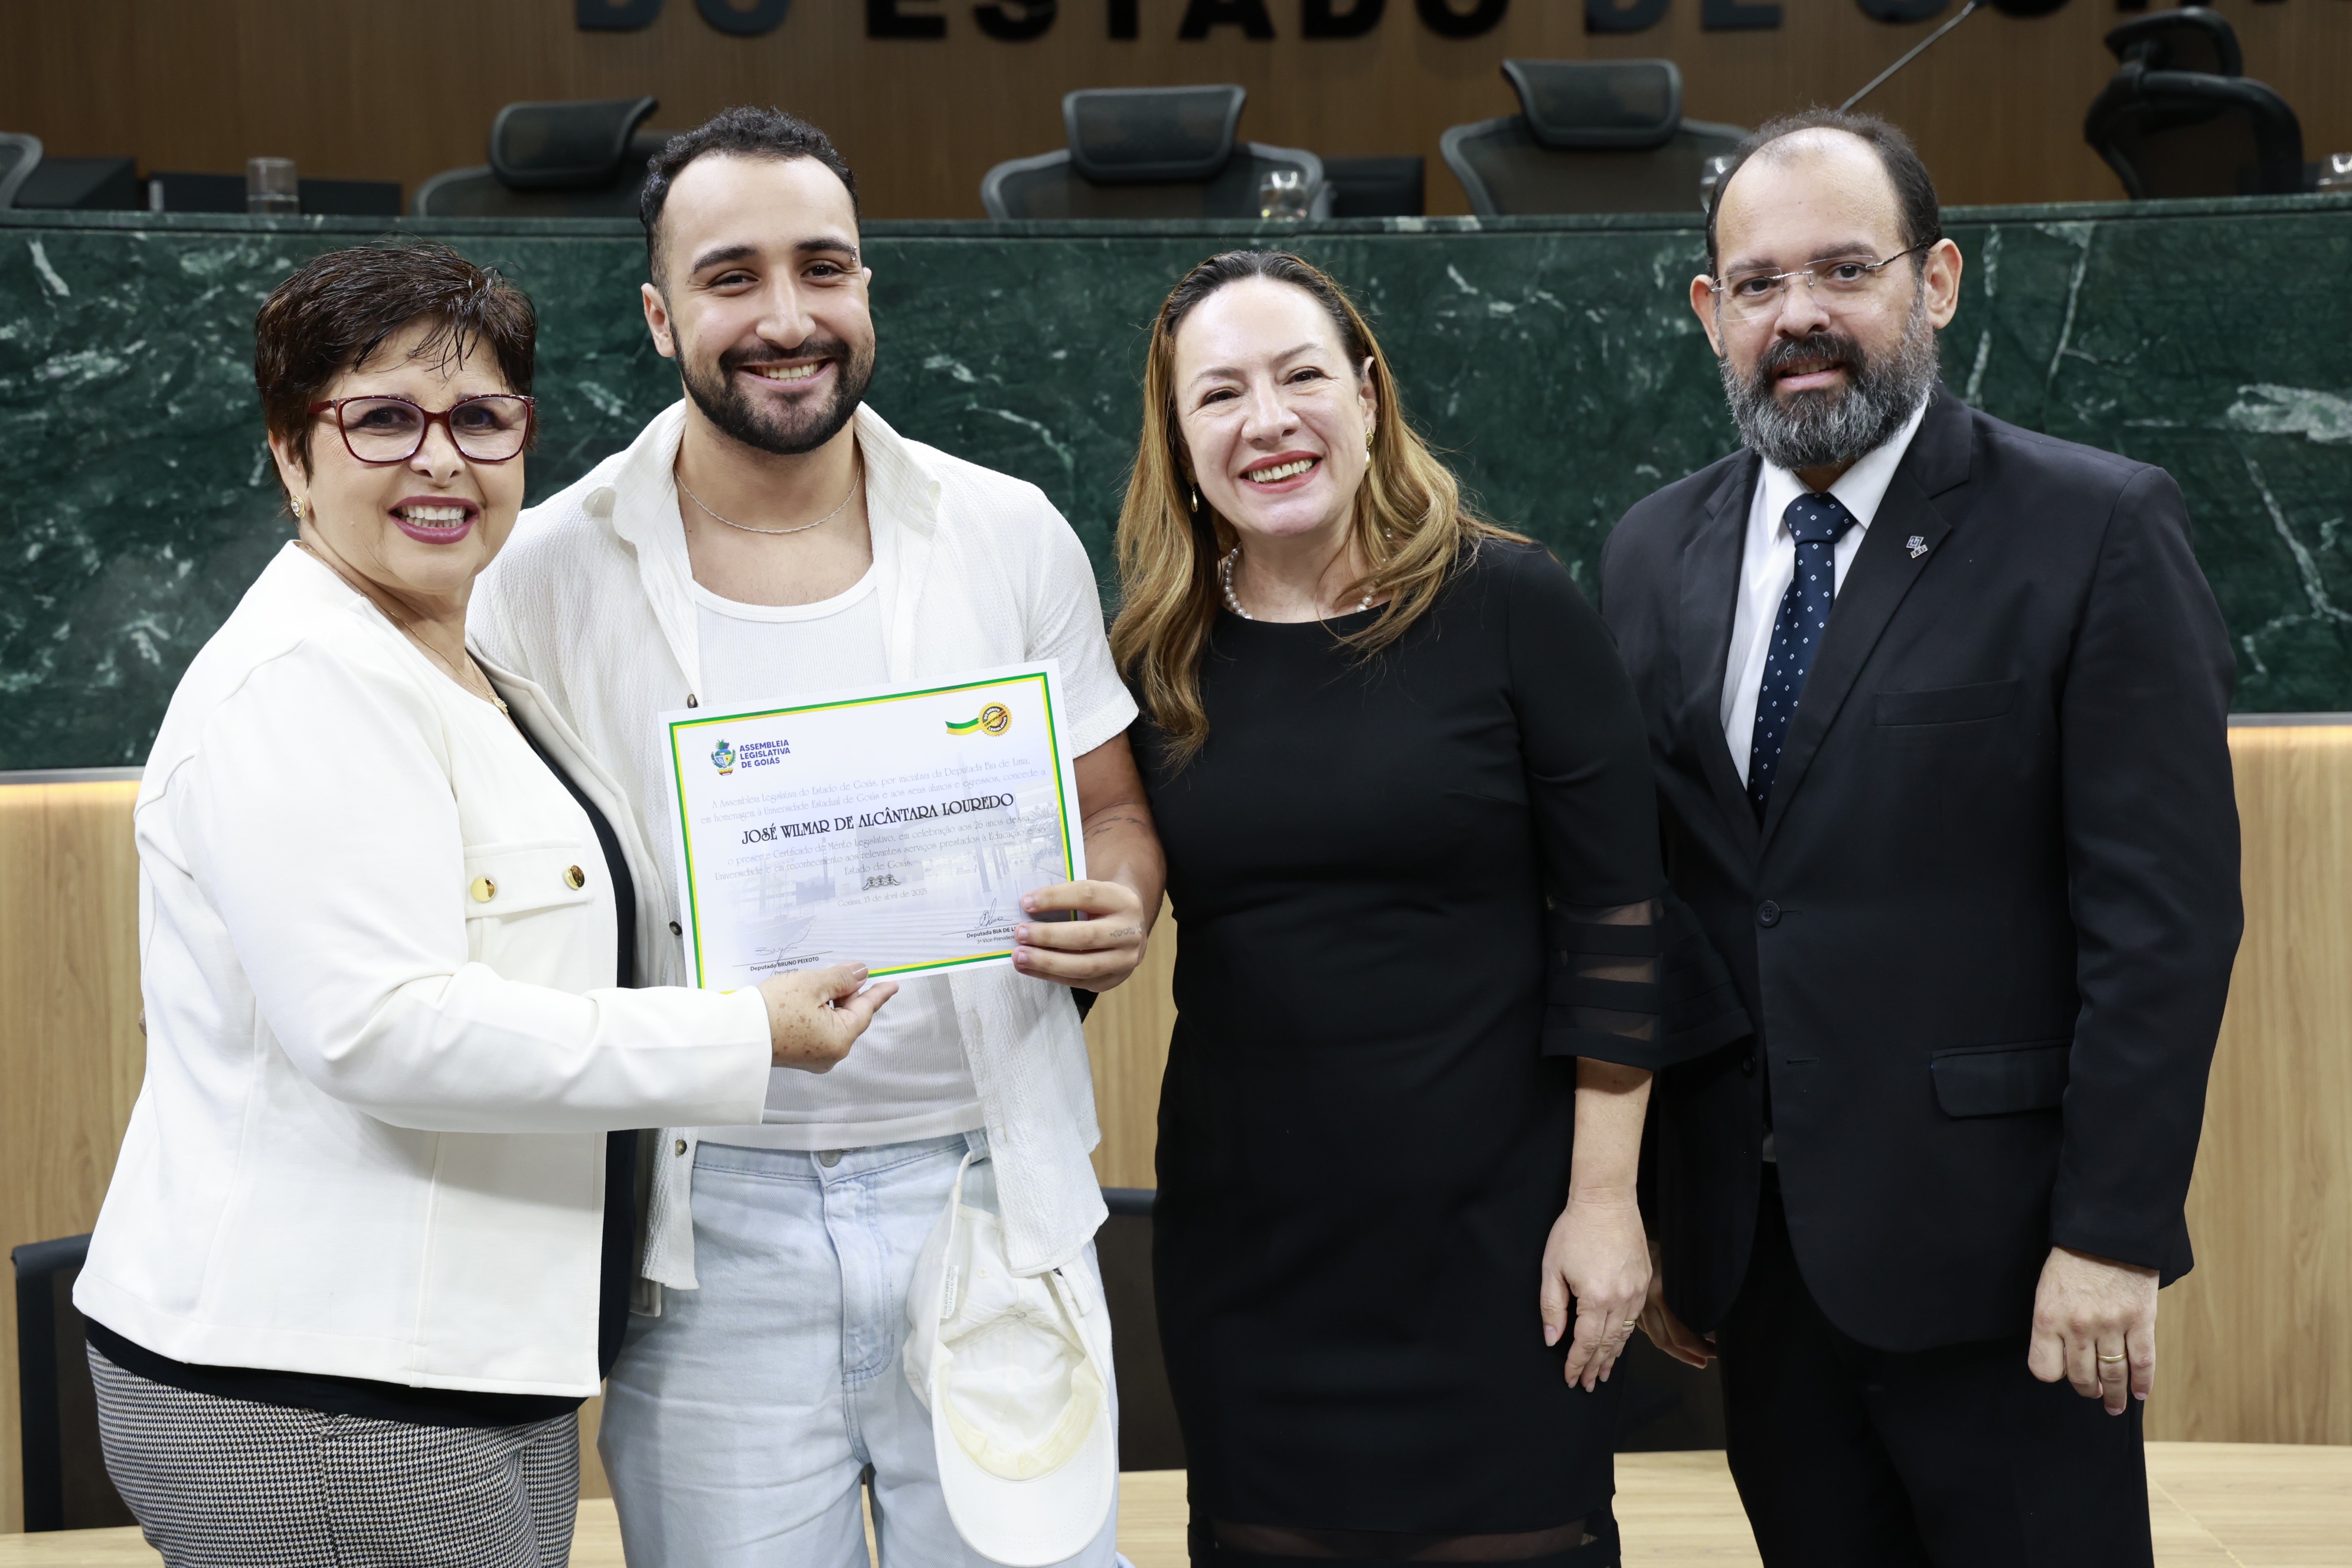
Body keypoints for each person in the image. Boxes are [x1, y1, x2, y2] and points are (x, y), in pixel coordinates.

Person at [73, 241, 896, 1568]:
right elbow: (384, 1029)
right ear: (292, 452)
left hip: (456, 1368)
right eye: (382, 419)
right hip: (322, 1397)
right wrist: (749, 1034)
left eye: (479, 418)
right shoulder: (299, 681)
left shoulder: (464, 659)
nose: (440, 460)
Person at [468, 107, 1162, 1567]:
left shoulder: (1005, 530)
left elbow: (1112, 807)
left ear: (865, 286)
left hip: (988, 1193)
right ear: (661, 316)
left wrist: (1124, 898)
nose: (786, 316)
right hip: (700, 1221)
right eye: (732, 277)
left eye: (822, 267)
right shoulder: (539, 574)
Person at [1600, 110, 2242, 1566]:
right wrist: (1654, 1207)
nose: (1800, 315)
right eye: (1758, 283)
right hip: (1758, 1265)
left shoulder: (2093, 526)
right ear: (1709, 312)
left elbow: (2165, 923)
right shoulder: (1649, 551)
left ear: (1936, 281)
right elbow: (1662, 902)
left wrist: (2112, 1232)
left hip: (2013, 1267)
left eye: (1846, 269)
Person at [1114, 250, 1734, 1568]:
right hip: (1252, 1251)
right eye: (1219, 394)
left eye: (1300, 376)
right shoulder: (1155, 653)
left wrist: (1606, 1203)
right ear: (1177, 437)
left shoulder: (1510, 601)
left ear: (1368, 393)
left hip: (1501, 1239)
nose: (1267, 421)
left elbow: (1619, 914)